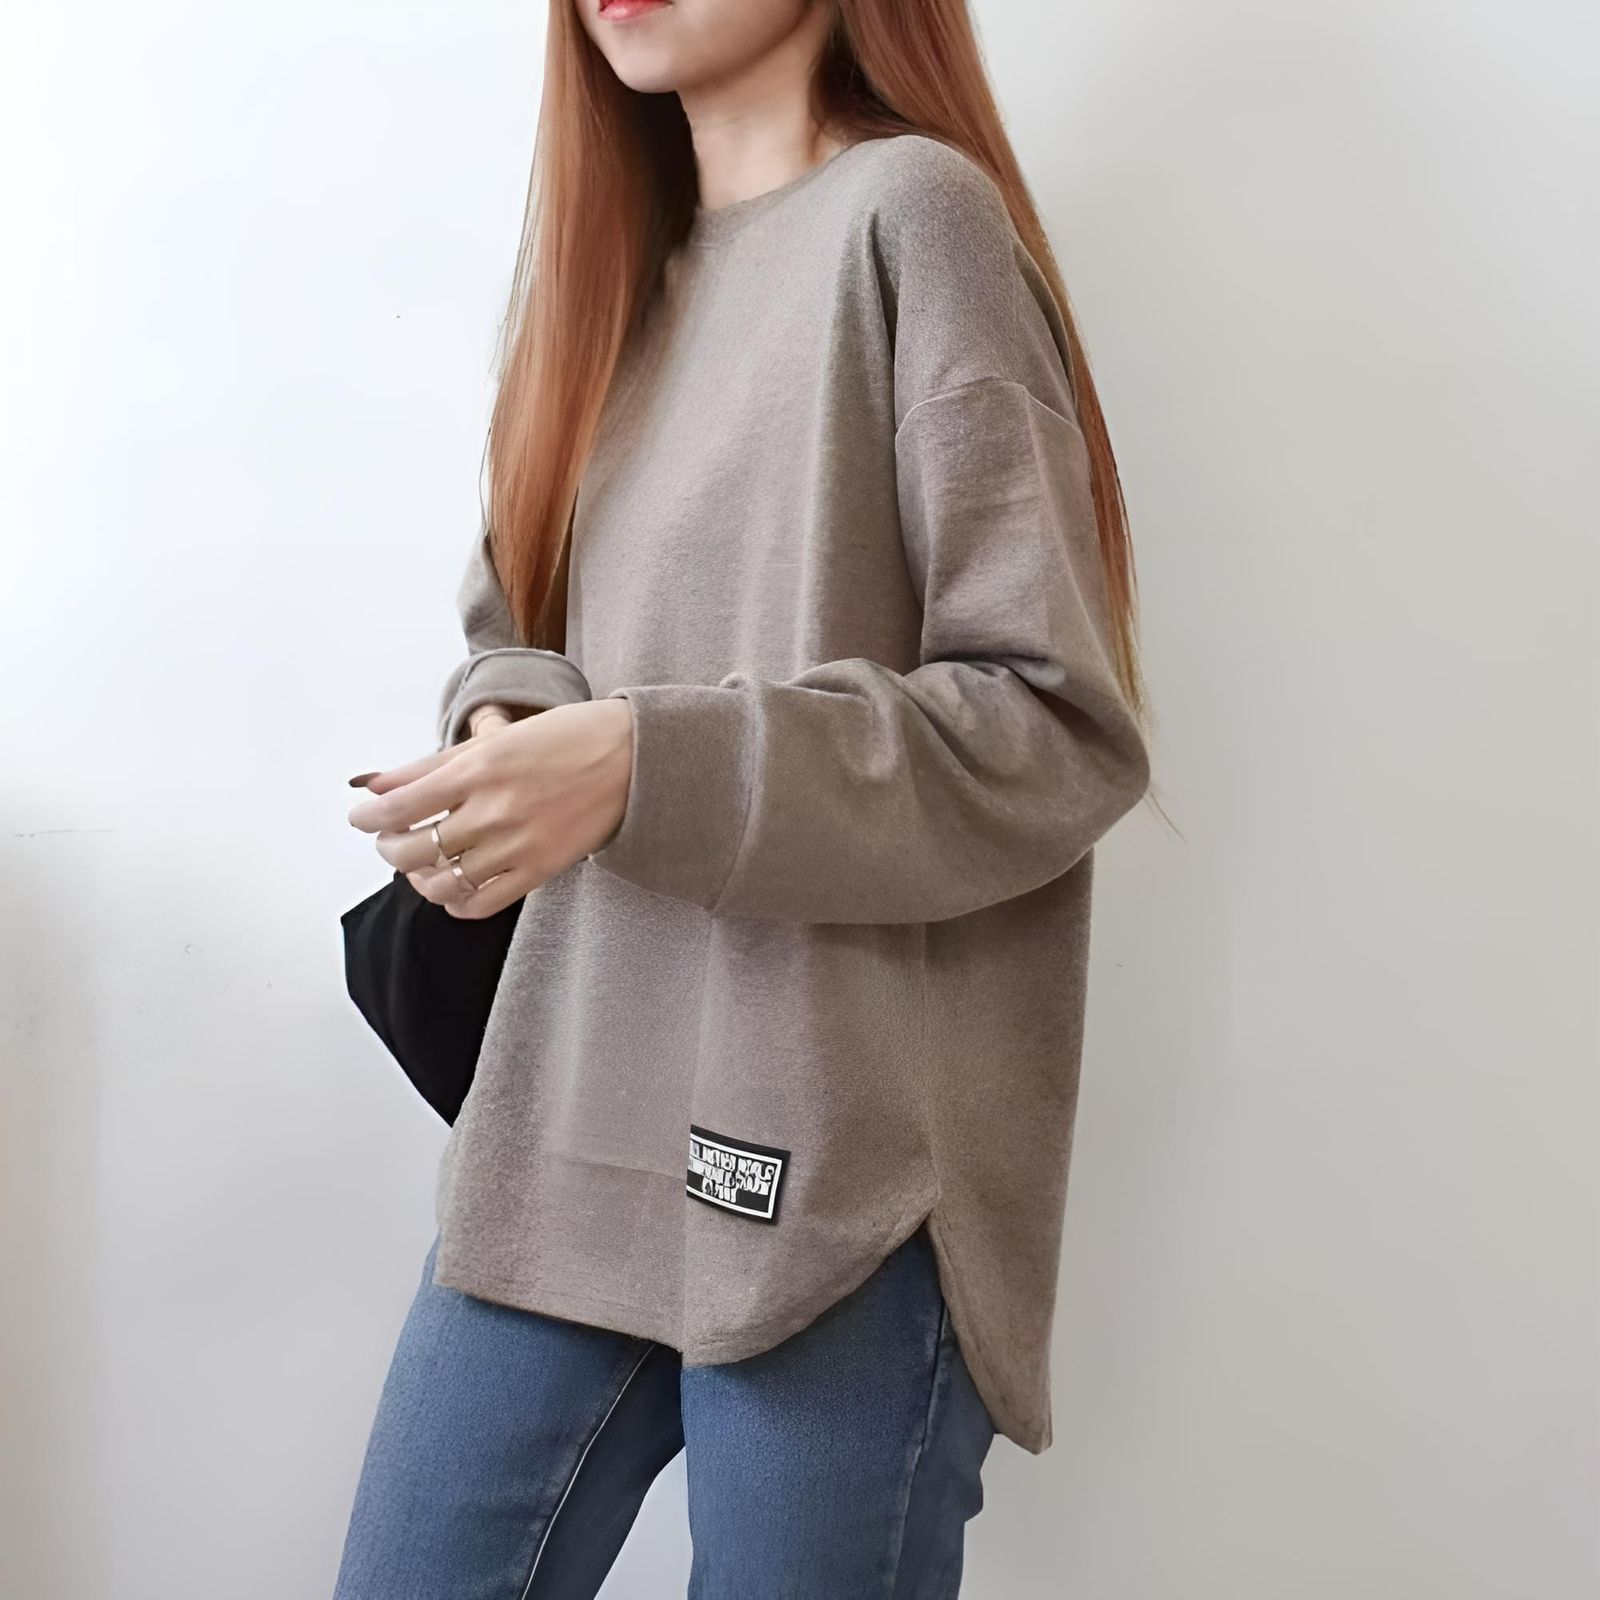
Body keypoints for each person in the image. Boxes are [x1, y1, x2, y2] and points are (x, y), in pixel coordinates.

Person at [337, 0, 1154, 1593]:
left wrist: (642, 764)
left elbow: (1051, 725)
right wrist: (510, 738)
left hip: (838, 1167)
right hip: (569, 1118)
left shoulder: (912, 217)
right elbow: (516, 624)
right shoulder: (601, 274)